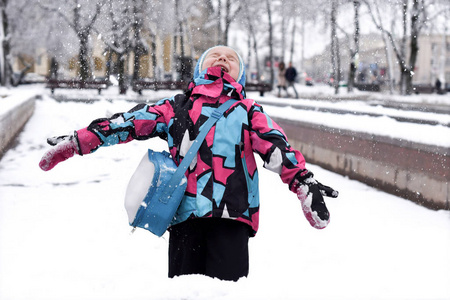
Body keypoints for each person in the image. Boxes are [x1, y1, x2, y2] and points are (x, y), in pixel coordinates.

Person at [39, 45, 338, 282]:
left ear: (240, 74)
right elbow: (130, 122)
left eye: (230, 58)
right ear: (200, 68)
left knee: (227, 292)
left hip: (231, 219)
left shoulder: (248, 110)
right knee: (185, 291)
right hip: (185, 217)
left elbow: (277, 146)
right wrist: (82, 140)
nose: (222, 58)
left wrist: (303, 181)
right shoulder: (177, 107)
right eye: (214, 56)